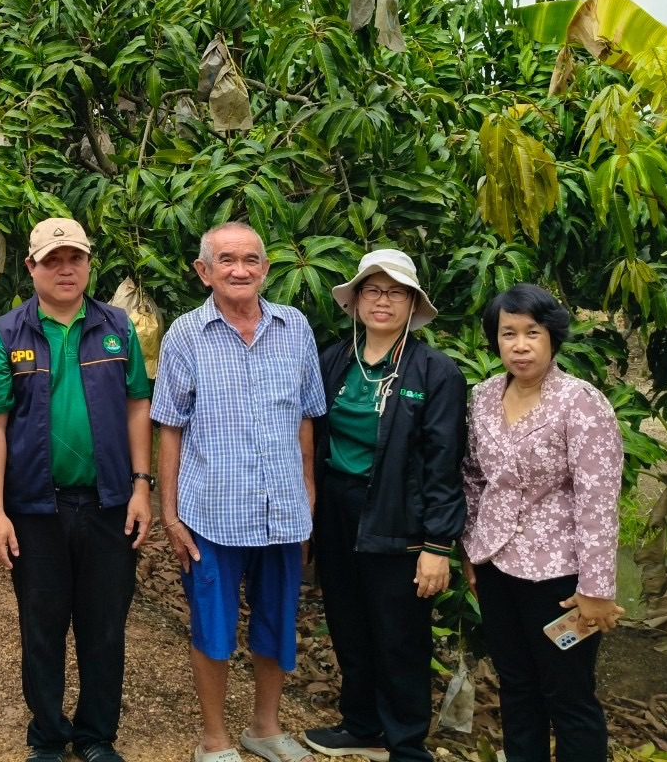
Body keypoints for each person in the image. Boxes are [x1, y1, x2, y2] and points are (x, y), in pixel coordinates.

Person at [0, 217, 153, 762]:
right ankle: (48, 736)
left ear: (88, 263)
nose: (65, 269)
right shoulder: (4, 334)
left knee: (104, 627)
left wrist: (142, 487)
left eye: (74, 258)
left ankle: (97, 736)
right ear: (30, 267)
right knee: (42, 626)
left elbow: (137, 406)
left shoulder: (118, 327)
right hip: (36, 508)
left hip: (108, 504)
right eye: (52, 260)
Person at [152, 222, 326, 762]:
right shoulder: (186, 333)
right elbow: (170, 427)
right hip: (212, 514)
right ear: (204, 271)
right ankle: (214, 740)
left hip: (281, 512)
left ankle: (265, 729)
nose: (240, 270)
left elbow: (305, 419)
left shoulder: (294, 326)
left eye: (251, 259)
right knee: (213, 628)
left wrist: (308, 496)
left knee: (276, 624)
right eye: (226, 260)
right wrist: (172, 516)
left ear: (266, 268)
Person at [303, 250, 466, 762]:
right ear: (354, 300)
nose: (382, 301)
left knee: (399, 635)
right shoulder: (333, 360)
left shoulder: (435, 372)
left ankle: (406, 742)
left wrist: (438, 545)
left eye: (396, 292)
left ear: (413, 304)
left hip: (400, 516)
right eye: (372, 290)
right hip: (338, 509)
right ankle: (362, 725)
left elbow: (444, 465)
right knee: (349, 623)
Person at [461, 283, 624, 762]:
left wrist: (596, 587)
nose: (520, 345)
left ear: (552, 336)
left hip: (560, 577)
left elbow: (598, 500)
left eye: (532, 332)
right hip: (496, 567)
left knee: (568, 695)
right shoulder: (484, 397)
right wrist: (473, 548)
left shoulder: (581, 402)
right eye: (508, 333)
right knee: (516, 687)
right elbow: (472, 478)